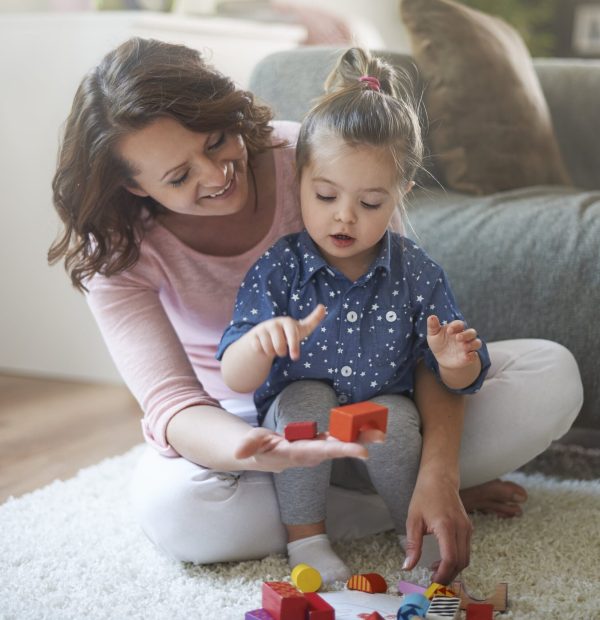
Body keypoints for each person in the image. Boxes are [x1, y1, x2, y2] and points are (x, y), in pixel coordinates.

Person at [48, 37, 583, 585]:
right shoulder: (113, 253)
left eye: (215, 141)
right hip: (244, 422)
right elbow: (175, 406)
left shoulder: (320, 161)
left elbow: (412, 332)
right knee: (182, 515)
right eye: (179, 178)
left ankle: (408, 494)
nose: (215, 176)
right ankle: (359, 511)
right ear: (131, 184)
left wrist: (438, 472)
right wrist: (256, 451)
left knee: (552, 375)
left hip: (383, 406)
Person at [217, 47, 494, 583]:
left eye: (370, 204)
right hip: (302, 437)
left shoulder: (416, 271)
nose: (344, 216)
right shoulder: (280, 267)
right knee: (305, 400)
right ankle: (308, 539)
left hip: (380, 431)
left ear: (400, 195)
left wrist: (454, 361)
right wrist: (262, 341)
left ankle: (408, 529)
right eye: (325, 195)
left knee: (395, 414)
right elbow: (233, 372)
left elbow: (459, 380)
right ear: (299, 181)